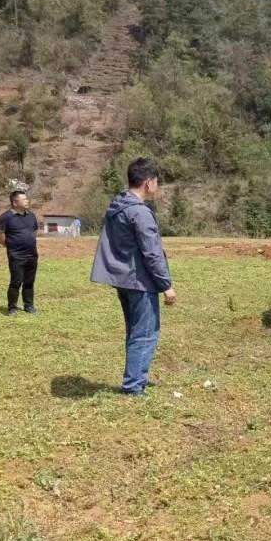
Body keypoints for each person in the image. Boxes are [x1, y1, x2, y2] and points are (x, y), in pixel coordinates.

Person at [90, 158, 177, 395]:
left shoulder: (118, 205)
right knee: (146, 332)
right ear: (148, 182)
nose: (157, 187)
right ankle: (133, 385)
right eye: (156, 182)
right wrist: (166, 285)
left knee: (135, 330)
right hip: (141, 281)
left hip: (123, 280)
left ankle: (137, 376)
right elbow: (152, 253)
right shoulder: (140, 212)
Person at [0, 189, 39, 315]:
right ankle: (12, 307)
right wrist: (8, 245)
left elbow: (35, 232)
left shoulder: (31, 215)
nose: (27, 201)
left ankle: (29, 305)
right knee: (16, 282)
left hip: (32, 254)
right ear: (15, 202)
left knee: (29, 281)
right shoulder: (6, 217)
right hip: (16, 255)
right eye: (23, 199)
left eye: (27, 199)